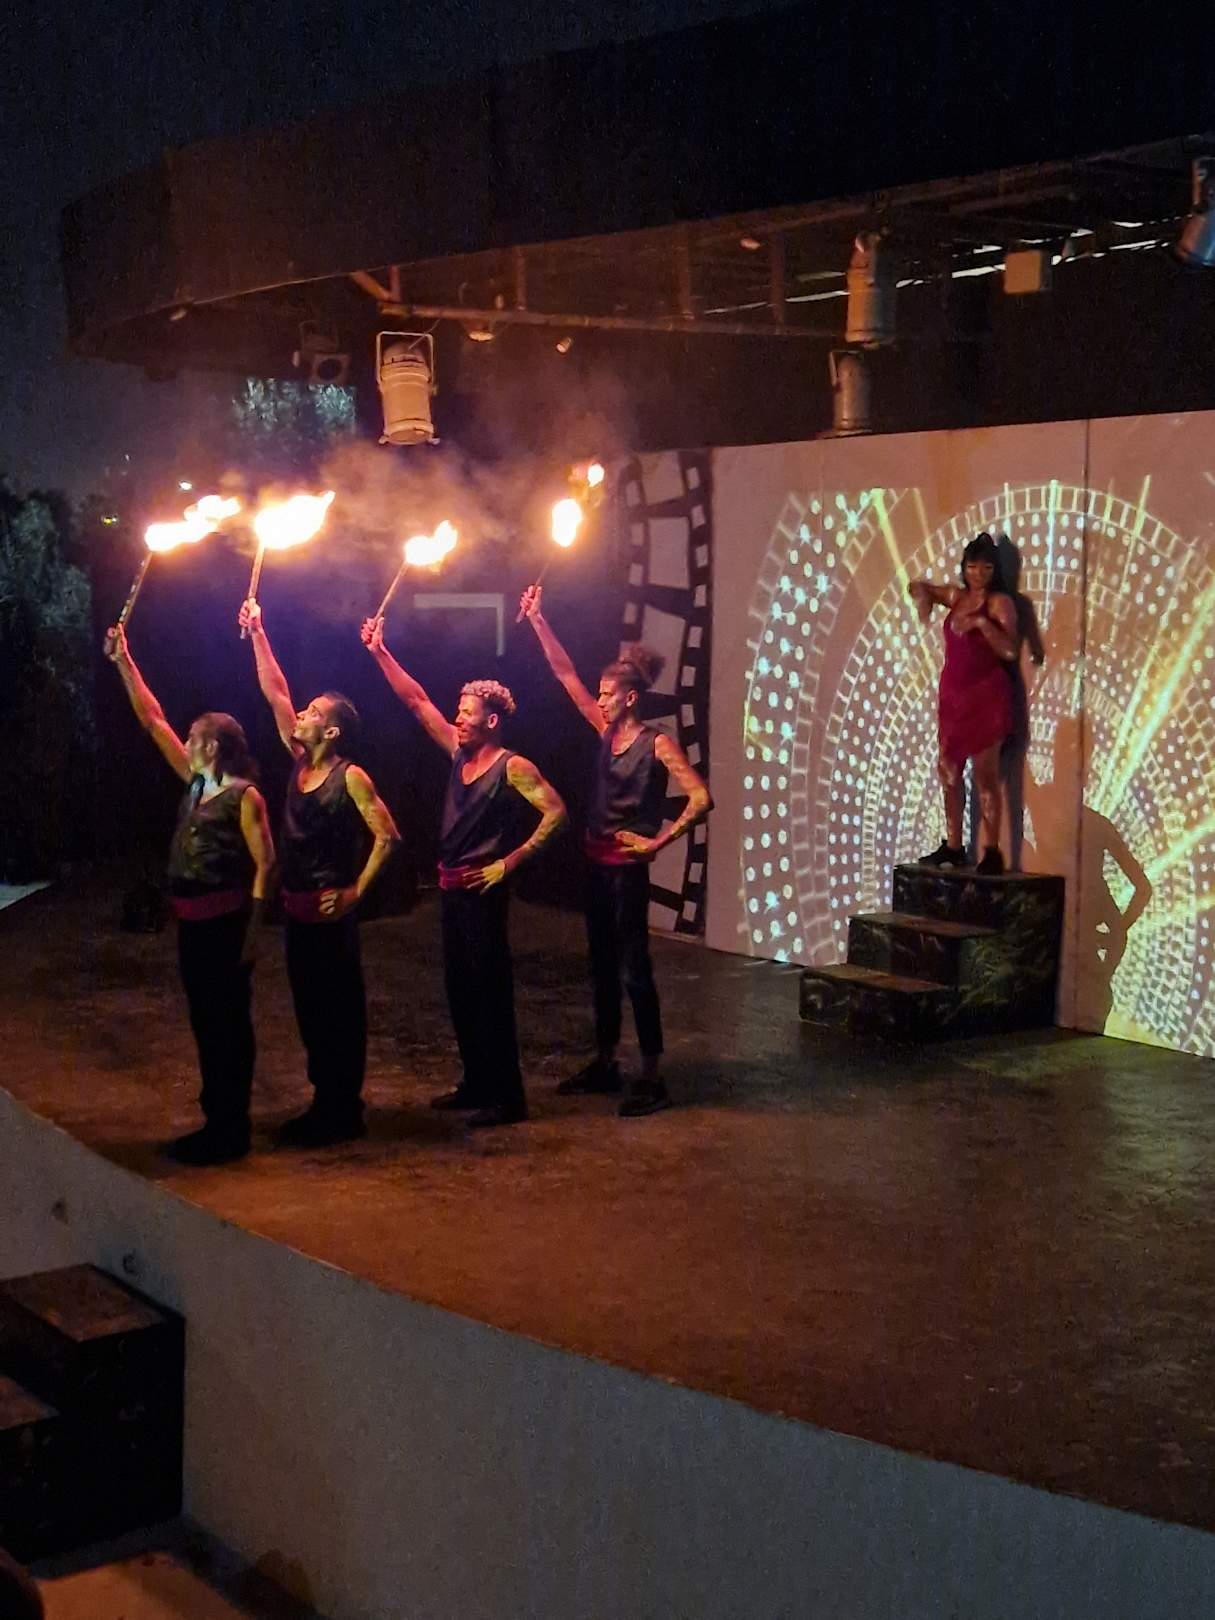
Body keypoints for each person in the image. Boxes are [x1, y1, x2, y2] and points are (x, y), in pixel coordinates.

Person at [360, 613, 566, 1129]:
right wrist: (380, 651)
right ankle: (477, 1082)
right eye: (458, 710)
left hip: (483, 892)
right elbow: (416, 701)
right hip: (452, 890)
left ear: (491, 721)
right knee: (461, 988)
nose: (457, 718)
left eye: (467, 712)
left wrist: (508, 862)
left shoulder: (512, 767)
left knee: (490, 991)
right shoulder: (457, 753)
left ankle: (508, 1097)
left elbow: (556, 813)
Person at [519, 585, 713, 1116]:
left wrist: (657, 842)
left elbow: (700, 798)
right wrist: (538, 619)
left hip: (626, 871)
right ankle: (606, 1061)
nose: (600, 699)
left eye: (607, 694)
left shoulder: (656, 743)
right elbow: (565, 674)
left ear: (629, 698)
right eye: (600, 693)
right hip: (596, 865)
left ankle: (651, 1073)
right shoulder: (604, 731)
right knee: (602, 965)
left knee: (634, 968)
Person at [105, 623, 274, 1164]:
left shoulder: (244, 796)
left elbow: (266, 865)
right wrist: (125, 660)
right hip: (195, 926)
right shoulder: (197, 783)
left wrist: (253, 934)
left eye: (196, 735)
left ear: (214, 746)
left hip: (225, 927)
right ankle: (216, 1121)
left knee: (227, 1026)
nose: (187, 739)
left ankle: (230, 1130)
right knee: (206, 1023)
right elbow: (152, 720)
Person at [239, 599, 399, 1146]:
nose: (301, 715)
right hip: (298, 912)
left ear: (331, 733)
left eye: (312, 713)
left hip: (332, 917)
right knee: (310, 1010)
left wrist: (355, 892)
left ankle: (343, 1110)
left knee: (339, 1012)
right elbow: (276, 692)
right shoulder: (301, 762)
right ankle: (325, 1103)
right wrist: (259, 632)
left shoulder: (350, 778)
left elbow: (388, 837)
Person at [908, 532, 1018, 876]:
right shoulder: (957, 597)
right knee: (948, 771)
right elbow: (918, 586)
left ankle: (992, 850)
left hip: (986, 699)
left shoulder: (999, 604)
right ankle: (953, 845)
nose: (978, 574)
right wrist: (923, 598)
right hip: (954, 700)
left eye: (986, 567)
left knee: (985, 777)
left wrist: (982, 624)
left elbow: (1010, 650)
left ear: (994, 570)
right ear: (964, 567)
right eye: (972, 566)